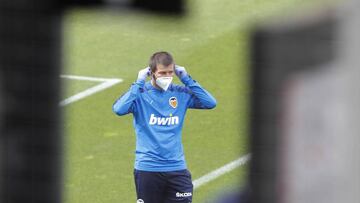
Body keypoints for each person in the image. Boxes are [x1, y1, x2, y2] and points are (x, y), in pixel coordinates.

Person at [112, 51, 217, 203]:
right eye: (162, 73)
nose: (166, 76)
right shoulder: (139, 94)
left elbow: (210, 103)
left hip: (177, 167)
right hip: (148, 168)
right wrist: (138, 82)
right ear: (151, 72)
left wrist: (186, 79)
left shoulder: (180, 93)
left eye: (170, 72)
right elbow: (119, 109)